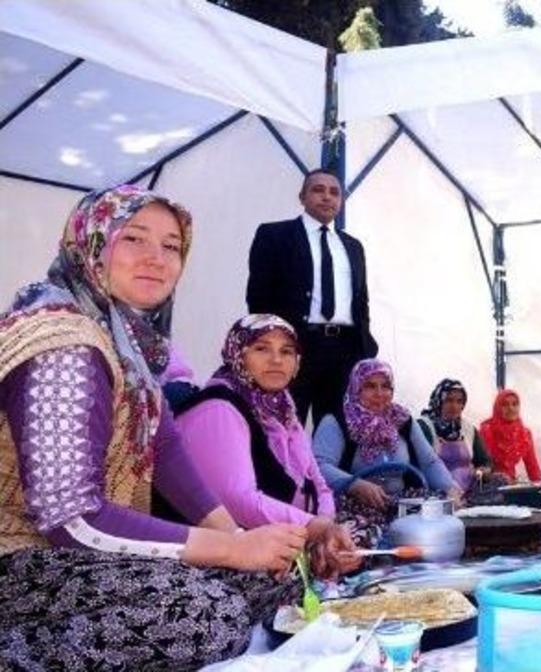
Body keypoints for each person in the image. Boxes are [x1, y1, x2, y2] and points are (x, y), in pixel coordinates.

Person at [0, 185, 315, 670]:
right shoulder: (61, 342)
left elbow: (165, 450)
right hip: (21, 560)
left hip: (84, 558)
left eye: (171, 246)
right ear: (92, 242)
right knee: (205, 617)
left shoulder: (124, 340)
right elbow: (72, 519)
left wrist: (243, 543)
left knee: (276, 579)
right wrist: (232, 549)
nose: (157, 259)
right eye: (133, 239)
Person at [172, 315, 356, 576]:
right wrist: (315, 529)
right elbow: (237, 500)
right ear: (238, 354)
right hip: (222, 550)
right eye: (261, 348)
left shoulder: (282, 409)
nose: (277, 360)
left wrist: (326, 528)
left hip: (283, 534)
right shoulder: (218, 408)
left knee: (356, 543)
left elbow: (318, 483)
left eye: (287, 351)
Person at [246, 168, 378, 426]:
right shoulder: (275, 235)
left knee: (336, 430)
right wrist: (273, 346)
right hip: (294, 347)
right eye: (318, 190)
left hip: (344, 351)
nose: (327, 197)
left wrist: (365, 348)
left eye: (334, 192)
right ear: (302, 196)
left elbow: (361, 301)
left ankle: (324, 469)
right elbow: (258, 296)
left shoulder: (353, 246)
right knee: (282, 424)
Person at [313, 359, 461, 508]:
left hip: (402, 505)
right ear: (356, 388)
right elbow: (318, 466)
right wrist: (353, 484)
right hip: (351, 506)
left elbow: (429, 462)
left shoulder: (402, 420)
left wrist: (449, 488)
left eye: (385, 386)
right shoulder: (337, 422)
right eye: (370, 386)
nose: (379, 393)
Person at [417, 378, 497, 492]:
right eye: (449, 400)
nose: (454, 406)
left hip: (470, 491)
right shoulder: (424, 427)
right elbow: (422, 465)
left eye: (459, 401)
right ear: (438, 400)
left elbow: (485, 461)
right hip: (436, 493)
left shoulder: (468, 429)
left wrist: (483, 471)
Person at [479, 389, 541, 482]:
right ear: (497, 408)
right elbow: (481, 464)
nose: (511, 408)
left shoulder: (524, 434)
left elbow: (533, 469)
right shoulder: (487, 430)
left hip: (511, 486)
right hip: (488, 484)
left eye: (515, 404)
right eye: (505, 405)